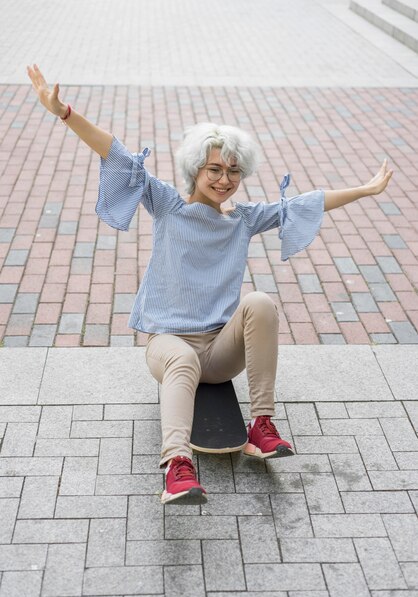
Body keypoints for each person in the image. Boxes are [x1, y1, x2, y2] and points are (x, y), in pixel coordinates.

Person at [27, 64, 393, 505]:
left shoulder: (243, 220)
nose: (224, 180)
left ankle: (262, 424)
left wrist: (365, 190)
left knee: (259, 301)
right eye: (214, 169)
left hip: (220, 352)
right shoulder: (168, 206)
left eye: (233, 172)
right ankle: (177, 468)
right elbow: (116, 152)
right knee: (181, 359)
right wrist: (64, 113)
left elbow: (306, 203)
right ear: (195, 170)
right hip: (169, 345)